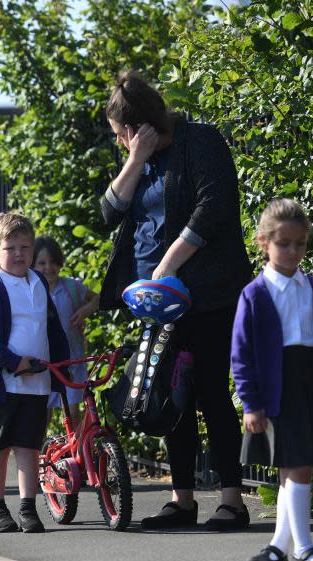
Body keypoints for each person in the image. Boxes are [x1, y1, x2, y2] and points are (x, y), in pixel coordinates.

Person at [98, 70, 254, 530]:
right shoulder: (142, 159)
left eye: (119, 136)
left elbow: (215, 205)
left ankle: (232, 500)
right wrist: (135, 158)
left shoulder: (198, 141)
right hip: (156, 303)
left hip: (207, 295)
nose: (120, 142)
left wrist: (168, 261)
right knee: (169, 396)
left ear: (134, 125)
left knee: (210, 392)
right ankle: (181, 498)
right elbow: (108, 212)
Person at [234, 199, 313, 561]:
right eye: (284, 243)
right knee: (299, 467)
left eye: (301, 243)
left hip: (308, 381)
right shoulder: (255, 294)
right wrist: (250, 403)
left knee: (292, 469)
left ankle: (278, 549)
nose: (294, 251)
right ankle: (305, 549)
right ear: (264, 242)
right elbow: (242, 354)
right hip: (278, 389)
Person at [0, 213, 70, 533]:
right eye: (11, 248)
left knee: (29, 446)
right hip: (2, 383)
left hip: (37, 382)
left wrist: (61, 369)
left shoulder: (38, 281)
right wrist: (13, 361)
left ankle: (27, 507)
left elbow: (51, 326)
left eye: (26, 247)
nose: (20, 254)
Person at [32, 235, 99, 426]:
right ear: (33, 265)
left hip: (72, 359)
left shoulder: (71, 286)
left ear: (60, 262)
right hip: (44, 362)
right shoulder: (32, 289)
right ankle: (38, 453)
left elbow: (98, 299)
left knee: (72, 412)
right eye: (41, 263)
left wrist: (85, 310)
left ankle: (75, 451)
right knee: (42, 413)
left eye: (53, 262)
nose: (48, 268)